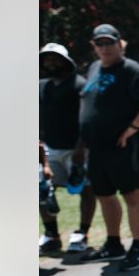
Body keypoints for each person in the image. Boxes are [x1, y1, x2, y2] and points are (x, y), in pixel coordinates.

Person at [77, 24, 139, 271]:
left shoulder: (130, 69)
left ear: (120, 44)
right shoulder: (94, 68)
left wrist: (133, 128)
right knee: (104, 194)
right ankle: (114, 244)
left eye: (110, 43)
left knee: (131, 193)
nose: (105, 48)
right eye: (100, 43)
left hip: (123, 144)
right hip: (96, 147)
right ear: (94, 46)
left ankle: (137, 248)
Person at [39, 43, 96, 255]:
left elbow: (87, 120)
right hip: (51, 148)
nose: (51, 63)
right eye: (47, 59)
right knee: (42, 190)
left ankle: (82, 233)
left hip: (78, 148)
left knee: (87, 189)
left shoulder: (79, 85)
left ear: (66, 61)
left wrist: (81, 149)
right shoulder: (42, 87)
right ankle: (51, 235)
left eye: (55, 59)